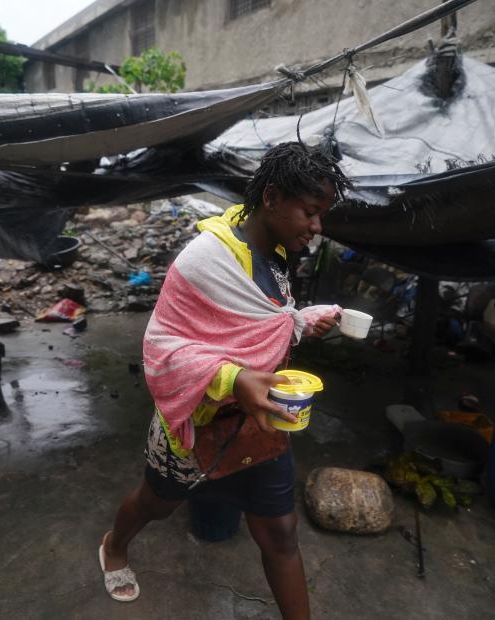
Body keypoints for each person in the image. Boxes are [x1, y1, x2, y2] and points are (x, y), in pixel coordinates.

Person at [98, 142, 352, 619]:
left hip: (264, 421)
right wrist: (233, 378)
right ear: (273, 198)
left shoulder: (274, 254)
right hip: (194, 424)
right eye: (311, 212)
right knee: (157, 503)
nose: (318, 227)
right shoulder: (204, 258)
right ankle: (114, 545)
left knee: (280, 533)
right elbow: (161, 345)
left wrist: (300, 321)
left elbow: (262, 320)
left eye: (322, 215)